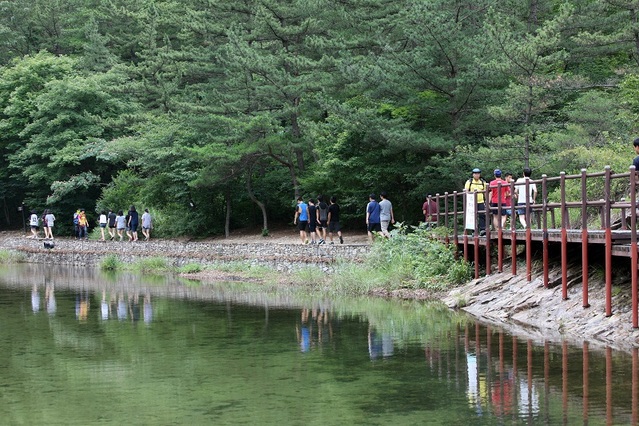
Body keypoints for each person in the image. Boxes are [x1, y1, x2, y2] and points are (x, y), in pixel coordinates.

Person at [464, 168, 487, 234]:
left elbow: (485, 192)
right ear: (473, 174)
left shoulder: (483, 182)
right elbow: (466, 190)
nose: (477, 175)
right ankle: (473, 231)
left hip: (481, 201)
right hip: (472, 201)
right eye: (475, 174)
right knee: (473, 216)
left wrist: (486, 201)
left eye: (478, 174)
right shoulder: (469, 182)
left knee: (482, 215)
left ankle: (482, 229)